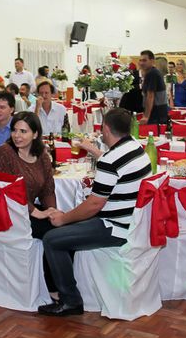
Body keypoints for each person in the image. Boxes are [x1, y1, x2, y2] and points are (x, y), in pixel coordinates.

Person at [38, 108, 151, 316]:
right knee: (67, 227)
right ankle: (64, 289)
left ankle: (69, 300)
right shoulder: (136, 148)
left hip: (115, 227)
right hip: (132, 221)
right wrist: (95, 152)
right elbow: (114, 167)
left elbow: (94, 206)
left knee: (52, 239)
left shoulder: (111, 160)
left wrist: (63, 219)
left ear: (105, 129)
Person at [0, 111, 58, 292]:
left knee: (63, 230)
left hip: (26, 210)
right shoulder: (5, 152)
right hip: (8, 212)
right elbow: (7, 191)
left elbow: (47, 189)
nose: (17, 136)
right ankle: (53, 288)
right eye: (14, 130)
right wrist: (37, 212)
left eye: (23, 131)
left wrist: (52, 210)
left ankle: (60, 285)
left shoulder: (42, 154)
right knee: (54, 236)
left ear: (35, 134)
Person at [140, 50, 169, 125]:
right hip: (159, 112)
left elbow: (150, 96)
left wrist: (146, 116)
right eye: (140, 60)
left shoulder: (152, 74)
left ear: (152, 61)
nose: (141, 63)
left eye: (144, 60)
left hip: (156, 114)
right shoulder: (153, 72)